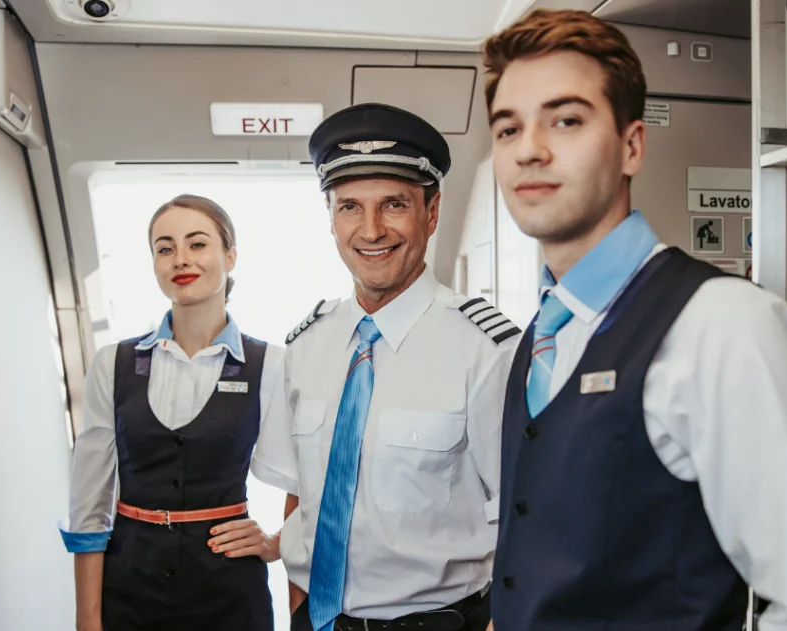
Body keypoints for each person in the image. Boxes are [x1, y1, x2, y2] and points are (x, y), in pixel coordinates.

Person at [480, 9, 787, 631]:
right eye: (508, 129)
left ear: (632, 145)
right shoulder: (542, 333)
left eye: (566, 120)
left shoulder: (722, 323)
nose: (529, 149)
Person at [250, 103, 520, 631]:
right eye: (349, 206)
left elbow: (525, 514)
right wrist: (300, 608)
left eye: (393, 204)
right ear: (330, 218)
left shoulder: (486, 350)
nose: (370, 230)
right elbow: (300, 495)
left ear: (432, 212)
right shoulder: (307, 344)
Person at [59, 194, 283, 631]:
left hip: (229, 591)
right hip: (129, 586)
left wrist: (279, 542)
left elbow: (306, 476)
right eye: (165, 248)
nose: (181, 259)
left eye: (197, 244)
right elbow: (90, 501)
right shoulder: (113, 363)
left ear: (230, 255)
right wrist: (87, 618)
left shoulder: (271, 364)